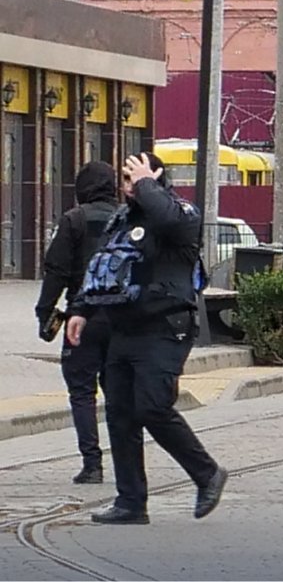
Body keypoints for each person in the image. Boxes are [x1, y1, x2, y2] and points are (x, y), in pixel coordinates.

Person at [65, 153, 227, 525]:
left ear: (155, 178)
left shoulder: (181, 214)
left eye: (133, 177)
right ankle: (131, 502)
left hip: (165, 326)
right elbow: (101, 267)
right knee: (120, 414)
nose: (127, 186)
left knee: (152, 406)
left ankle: (207, 474)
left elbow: (166, 216)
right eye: (124, 178)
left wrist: (146, 183)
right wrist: (80, 310)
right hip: (124, 328)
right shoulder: (121, 220)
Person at [35, 160, 120, 485]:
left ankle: (92, 464)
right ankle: (127, 462)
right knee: (118, 393)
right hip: (121, 319)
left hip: (81, 319)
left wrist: (45, 313)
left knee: (82, 392)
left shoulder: (73, 220)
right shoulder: (126, 219)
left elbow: (55, 271)